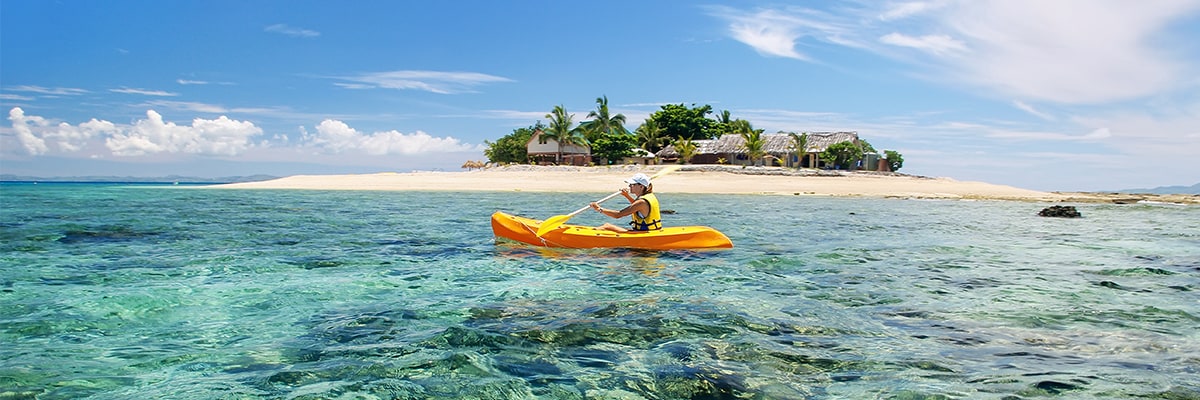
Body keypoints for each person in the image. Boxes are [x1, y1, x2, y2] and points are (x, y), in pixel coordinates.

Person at [590, 173, 662, 233]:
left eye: (632, 184)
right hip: (650, 230)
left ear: (641, 186)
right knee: (607, 226)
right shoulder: (649, 196)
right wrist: (627, 196)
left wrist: (599, 209)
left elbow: (618, 215)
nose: (629, 186)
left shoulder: (641, 202)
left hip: (644, 233)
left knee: (607, 227)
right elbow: (637, 207)